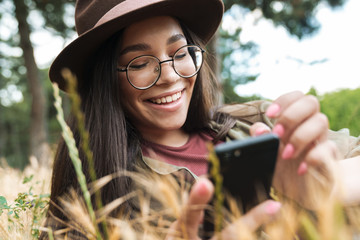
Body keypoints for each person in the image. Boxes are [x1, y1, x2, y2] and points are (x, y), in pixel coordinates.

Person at [42, 0, 360, 239]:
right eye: (139, 63)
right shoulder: (97, 190)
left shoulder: (259, 123)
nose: (169, 75)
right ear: (105, 80)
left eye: (180, 53)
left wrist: (330, 186)